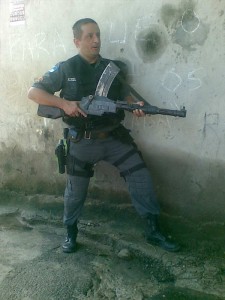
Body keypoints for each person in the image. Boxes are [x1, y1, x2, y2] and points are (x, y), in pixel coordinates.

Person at [28, 18, 180, 253]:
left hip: (114, 138)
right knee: (75, 192)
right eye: (89, 36)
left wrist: (136, 105)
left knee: (142, 179)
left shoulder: (112, 68)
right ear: (77, 41)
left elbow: (125, 96)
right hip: (82, 140)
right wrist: (64, 104)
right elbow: (34, 92)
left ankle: (153, 230)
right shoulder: (66, 68)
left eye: (97, 35)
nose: (96, 40)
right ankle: (70, 233)